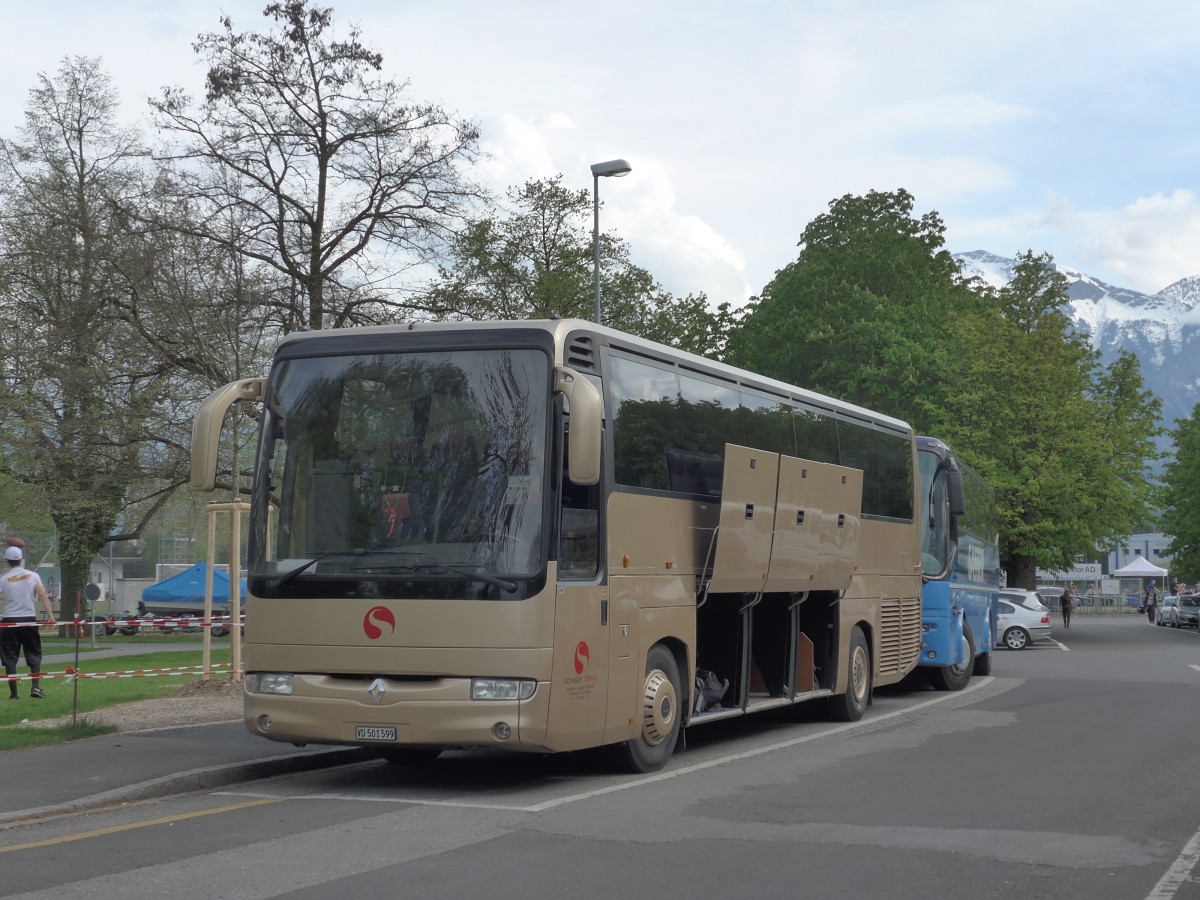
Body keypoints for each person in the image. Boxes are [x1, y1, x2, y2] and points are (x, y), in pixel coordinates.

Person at [0, 544, 56, 700]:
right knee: (34, 652)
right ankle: (35, 688)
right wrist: (51, 616)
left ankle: (14, 694)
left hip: (9, 620)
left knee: (10, 657)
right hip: (28, 619)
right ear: (21, 559)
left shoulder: (3, 579)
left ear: (7, 560)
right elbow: (43, 596)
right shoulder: (33, 576)